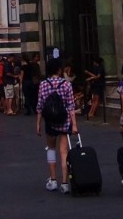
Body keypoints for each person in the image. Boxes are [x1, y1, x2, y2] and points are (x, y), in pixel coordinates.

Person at [36, 57, 78, 194]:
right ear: (59, 70)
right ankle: (65, 183)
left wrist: (38, 124)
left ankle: (53, 180)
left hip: (50, 122)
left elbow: (40, 106)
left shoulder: (43, 84)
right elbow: (71, 106)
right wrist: (74, 125)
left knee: (51, 149)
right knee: (64, 152)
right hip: (64, 121)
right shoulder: (66, 84)